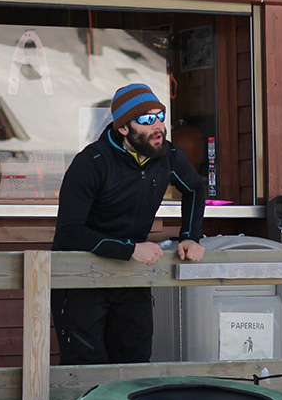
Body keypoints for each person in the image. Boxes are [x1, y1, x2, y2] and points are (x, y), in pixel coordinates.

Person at [52, 83, 207, 365]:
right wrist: (130, 249)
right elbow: (70, 233)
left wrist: (190, 236)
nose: (158, 125)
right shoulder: (92, 162)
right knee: (84, 371)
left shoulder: (168, 156)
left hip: (131, 278)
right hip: (81, 280)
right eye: (147, 119)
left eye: (160, 116)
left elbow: (195, 189)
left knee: (133, 364)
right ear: (123, 128)